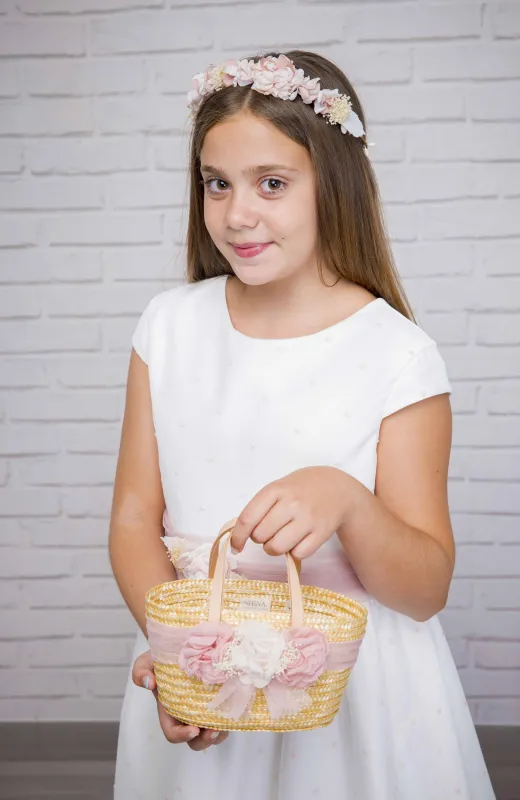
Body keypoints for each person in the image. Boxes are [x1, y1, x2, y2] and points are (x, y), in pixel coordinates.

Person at [109, 50, 495, 800]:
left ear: (334, 184)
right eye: (216, 184)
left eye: (272, 184)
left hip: (355, 696)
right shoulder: (168, 328)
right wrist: (184, 655)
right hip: (204, 666)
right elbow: (133, 517)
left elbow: (424, 590)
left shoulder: (397, 354)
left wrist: (347, 500)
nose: (236, 214)